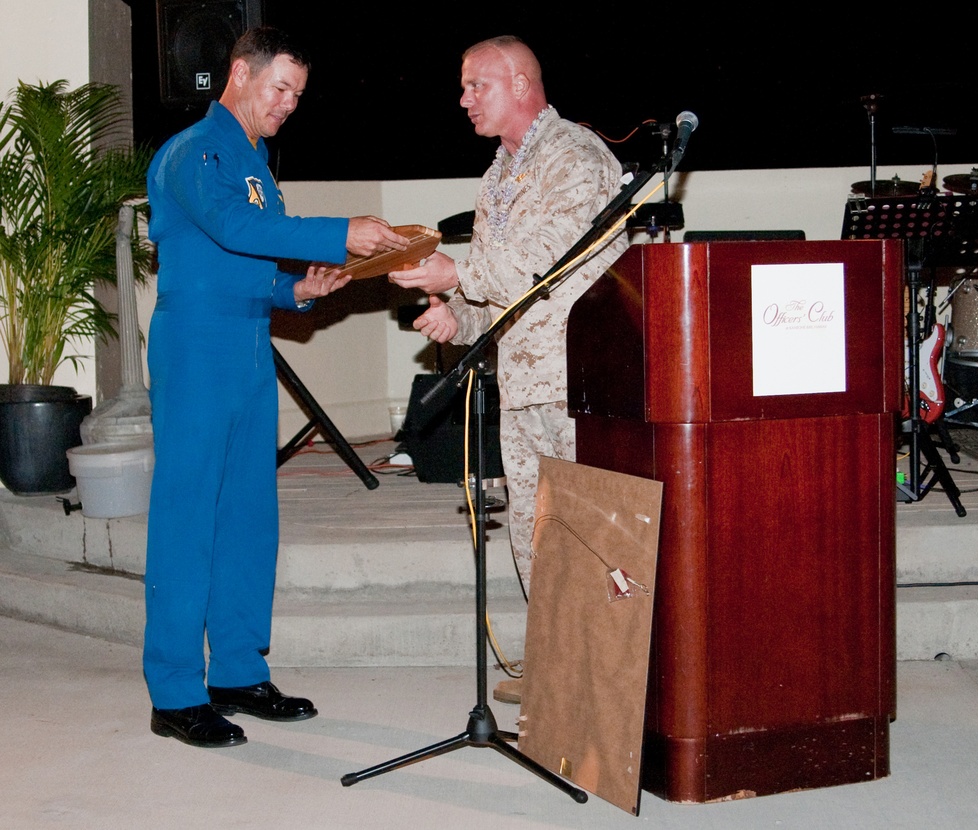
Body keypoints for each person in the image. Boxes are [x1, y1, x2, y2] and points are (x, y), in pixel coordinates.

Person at [143, 26, 409, 748]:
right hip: (197, 344)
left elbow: (249, 258)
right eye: (279, 88)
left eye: (297, 94)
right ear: (239, 74)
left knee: (249, 515)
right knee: (188, 514)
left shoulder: (257, 163)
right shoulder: (194, 152)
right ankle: (174, 690)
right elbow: (230, 229)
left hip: (249, 343)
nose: (289, 104)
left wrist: (297, 289)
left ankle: (235, 669)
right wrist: (342, 231)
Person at [388, 35, 629, 703]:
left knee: (593, 533)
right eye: (463, 88)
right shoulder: (500, 171)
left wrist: (455, 271)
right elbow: (496, 290)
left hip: (581, 380)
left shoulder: (575, 158)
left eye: (476, 86)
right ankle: (558, 666)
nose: (463, 99)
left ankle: (606, 683)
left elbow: (544, 261)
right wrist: (457, 318)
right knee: (535, 534)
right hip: (523, 382)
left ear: (522, 83)